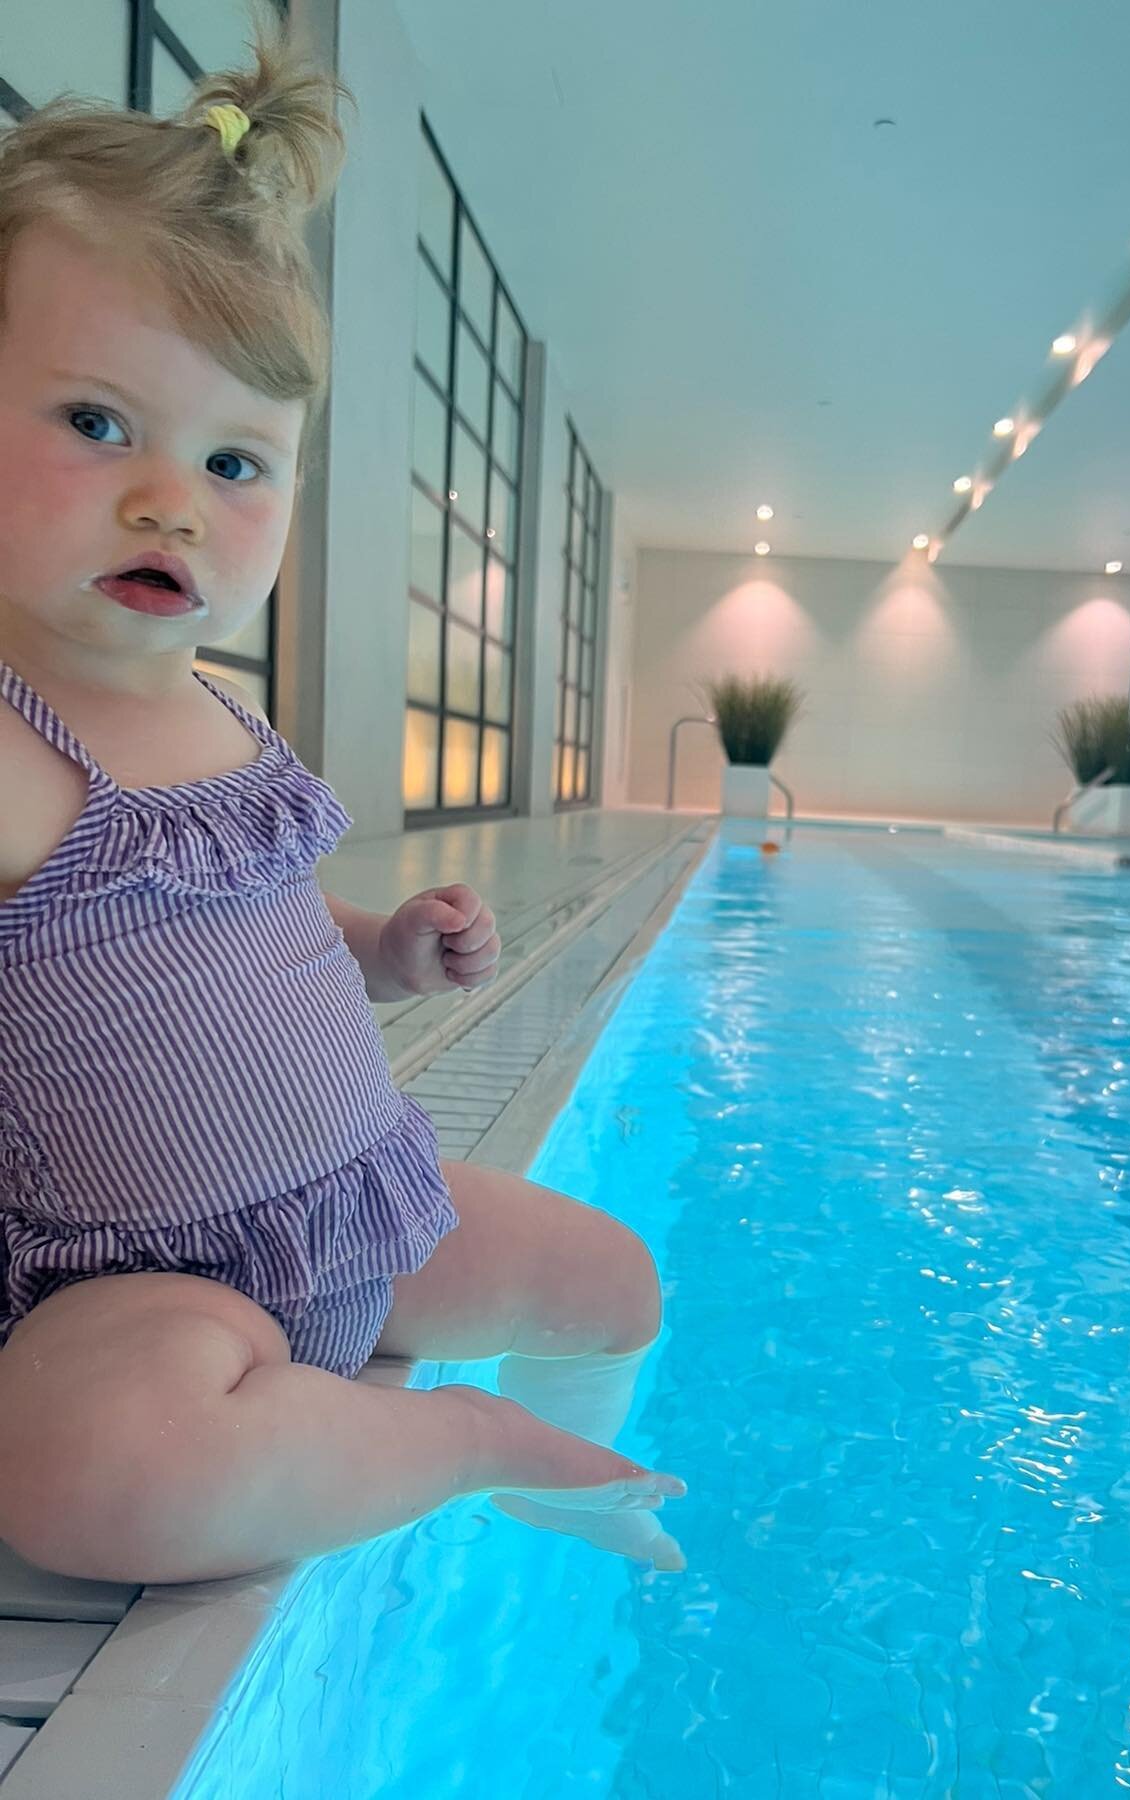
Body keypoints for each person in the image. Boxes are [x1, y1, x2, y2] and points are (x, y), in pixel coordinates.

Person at [0, 37, 684, 1585]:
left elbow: (242, 914)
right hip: (148, 1285)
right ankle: (467, 1444)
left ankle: (578, 1487)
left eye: (235, 458)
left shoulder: (226, 717)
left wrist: (381, 942)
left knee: (613, 1276)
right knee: (90, 1476)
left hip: (359, 1203)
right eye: (98, 423)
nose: (170, 497)